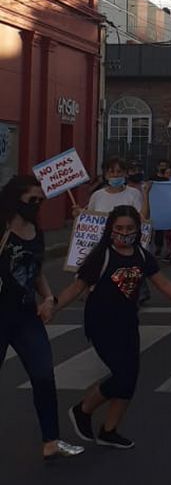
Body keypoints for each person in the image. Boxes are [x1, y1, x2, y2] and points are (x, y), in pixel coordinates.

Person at [56, 206, 171, 450]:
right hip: (101, 324)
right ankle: (82, 410)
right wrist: (53, 307)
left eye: (129, 229)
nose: (124, 233)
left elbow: (164, 283)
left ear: (138, 230)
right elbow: (76, 288)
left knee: (130, 379)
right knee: (122, 375)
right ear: (110, 230)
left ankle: (109, 430)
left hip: (127, 323)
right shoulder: (101, 256)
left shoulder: (142, 256)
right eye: (119, 229)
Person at [0, 174, 84, 461]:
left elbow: (35, 271)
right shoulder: (2, 226)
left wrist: (48, 298)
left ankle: (51, 440)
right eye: (31, 200)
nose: (36, 205)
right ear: (15, 198)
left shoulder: (36, 230)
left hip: (25, 315)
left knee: (44, 375)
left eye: (40, 200)